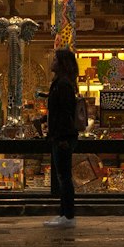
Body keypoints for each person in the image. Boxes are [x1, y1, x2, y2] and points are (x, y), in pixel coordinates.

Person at [45, 48, 79, 226]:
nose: (52, 62)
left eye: (55, 59)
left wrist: (63, 137)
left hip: (63, 136)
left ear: (62, 64)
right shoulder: (60, 83)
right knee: (62, 177)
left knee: (64, 177)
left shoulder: (63, 85)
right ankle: (64, 214)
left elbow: (65, 113)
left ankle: (69, 216)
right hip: (59, 135)